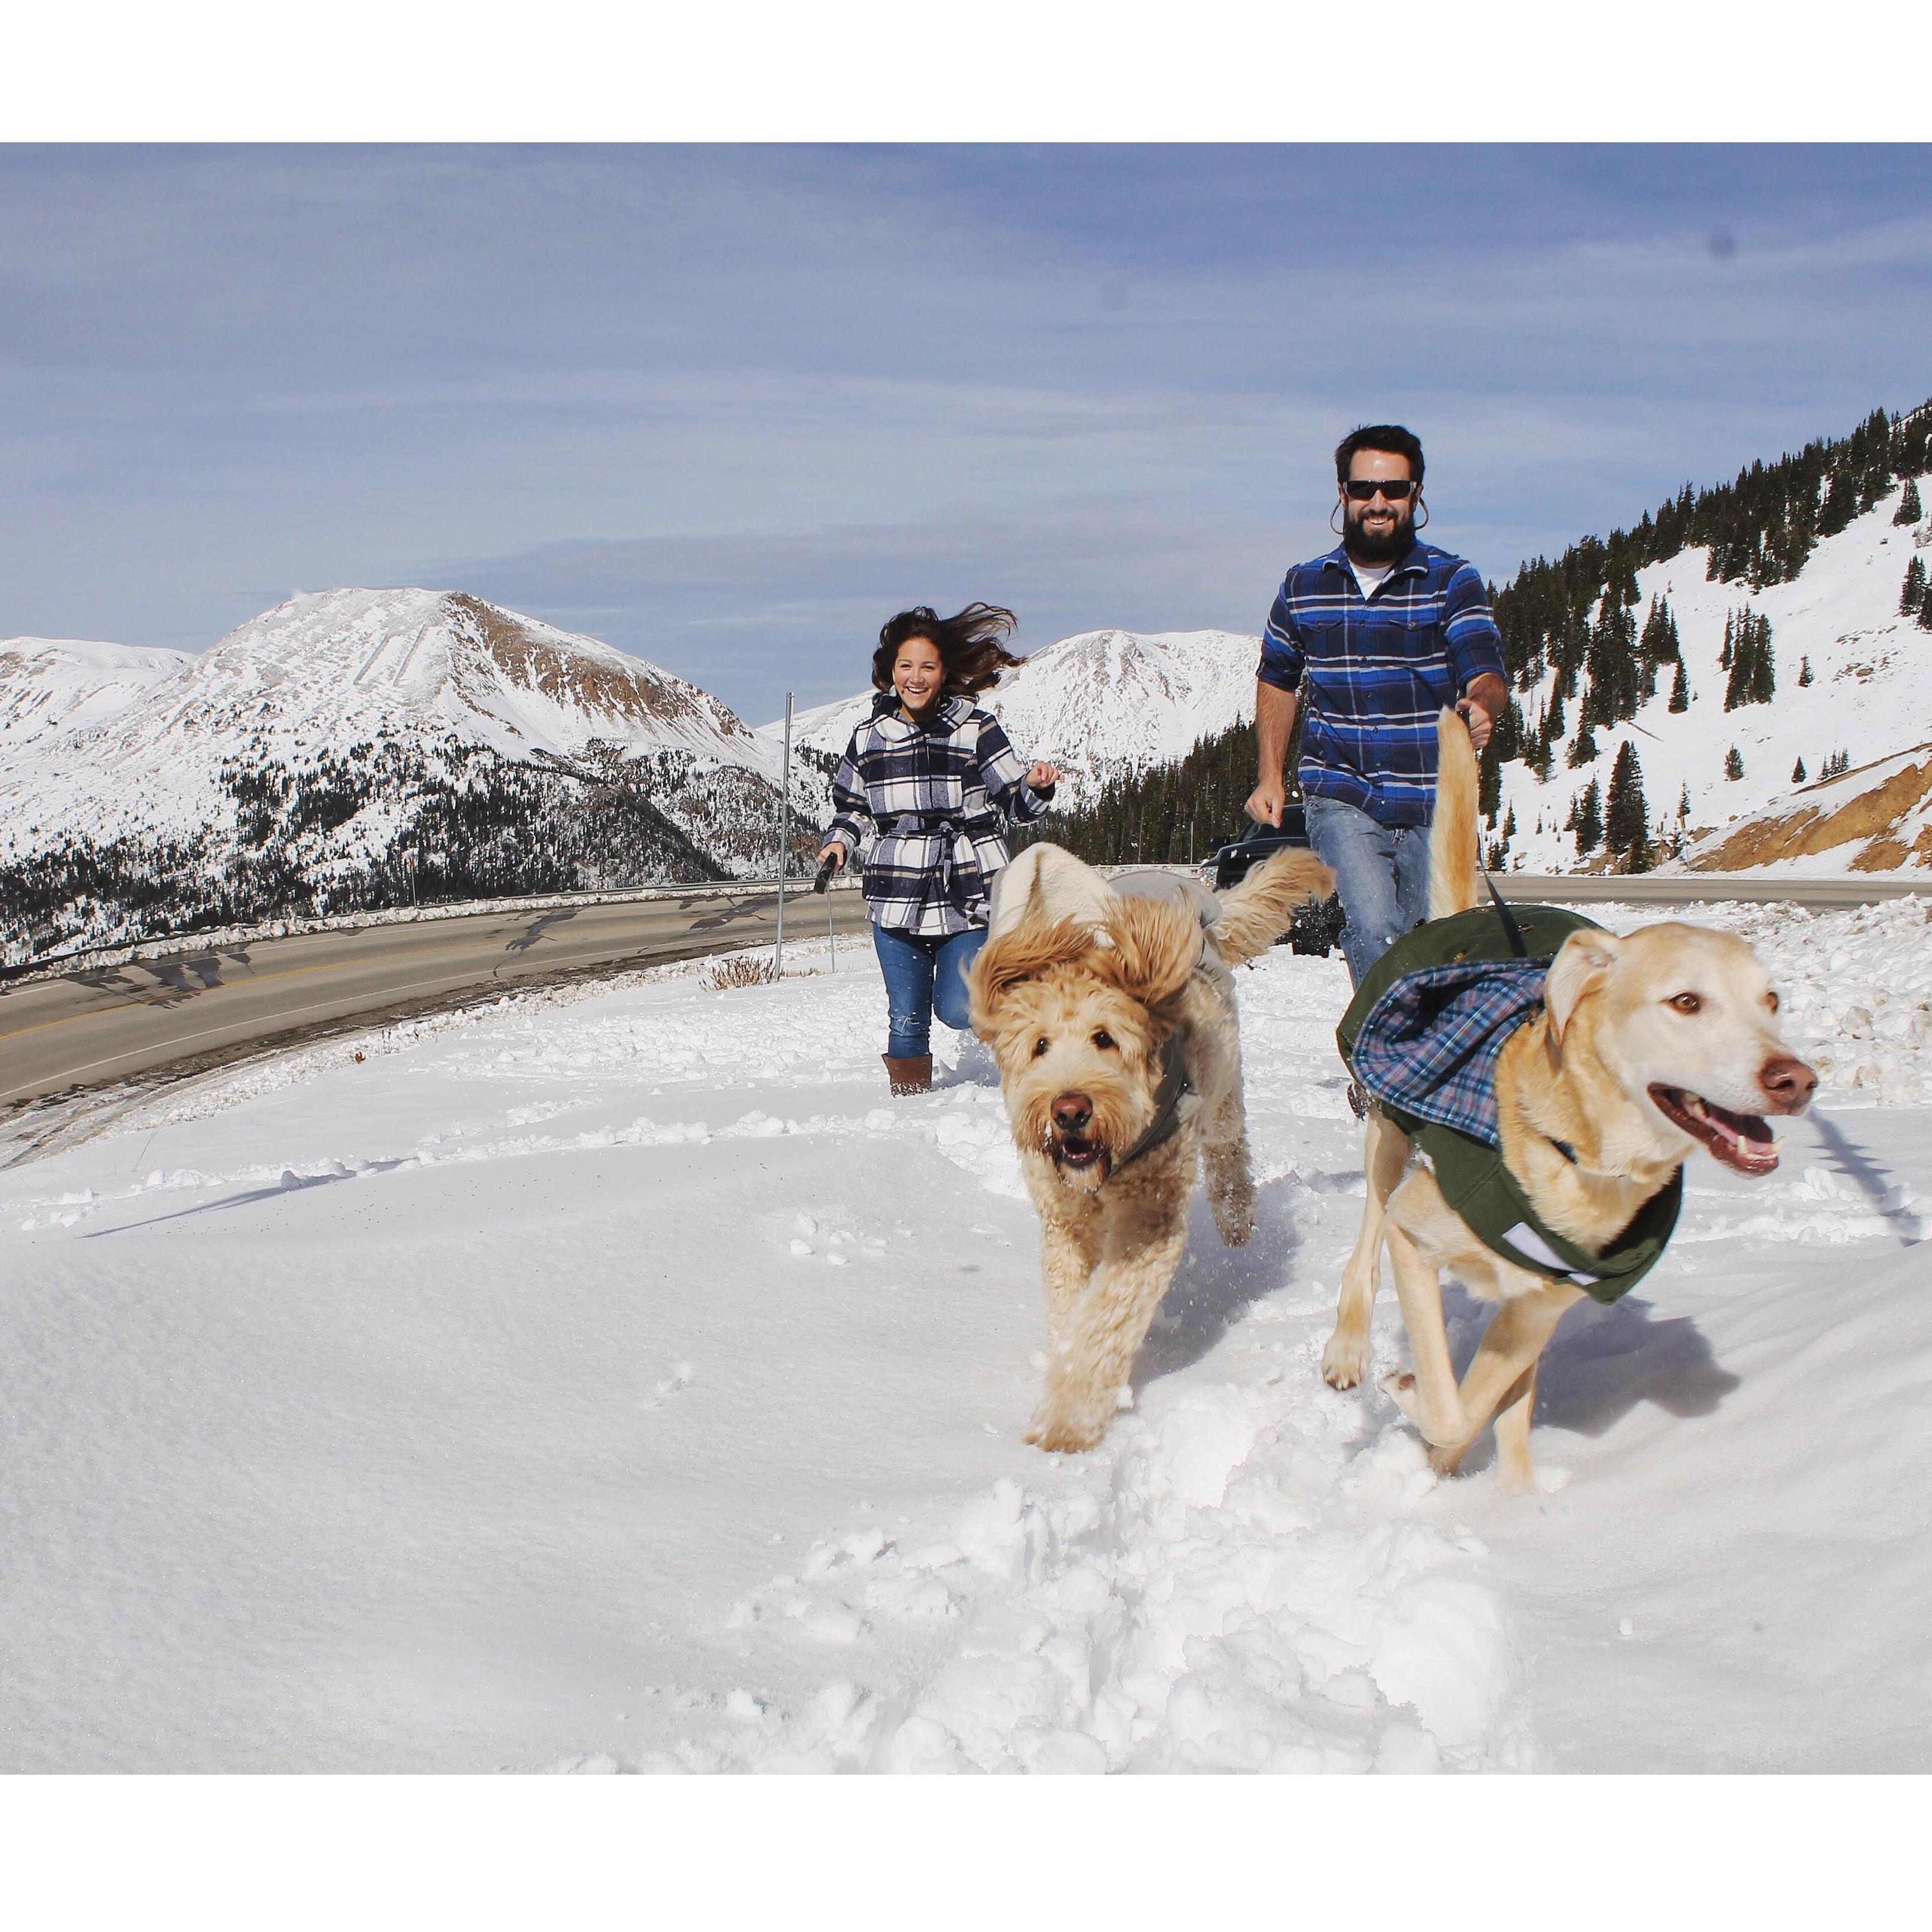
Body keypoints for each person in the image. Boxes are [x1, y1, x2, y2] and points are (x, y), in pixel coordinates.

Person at [1246, 423, 1507, 1018]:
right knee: (1371, 924)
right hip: (1342, 789)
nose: (1378, 503)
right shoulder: (1304, 585)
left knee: (1434, 938)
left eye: (1393, 490)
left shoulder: (1451, 580)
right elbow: (1278, 677)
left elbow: (1485, 667)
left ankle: (1425, 1052)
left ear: (1416, 495)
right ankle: (1383, 1060)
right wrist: (1270, 774)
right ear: (1343, 494)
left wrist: (1481, 706)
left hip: (1435, 796)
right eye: (1365, 489)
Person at [817, 603, 1061, 1096]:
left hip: (967, 889)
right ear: (890, 671)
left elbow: (1014, 803)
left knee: (956, 1008)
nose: (915, 677)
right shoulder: (868, 738)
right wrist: (838, 844)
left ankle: (1030, 1016)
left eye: (927, 666)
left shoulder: (976, 728)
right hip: (896, 891)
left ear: (943, 671)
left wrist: (1034, 787)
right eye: (905, 666)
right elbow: (852, 808)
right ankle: (909, 1110)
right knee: (906, 1015)